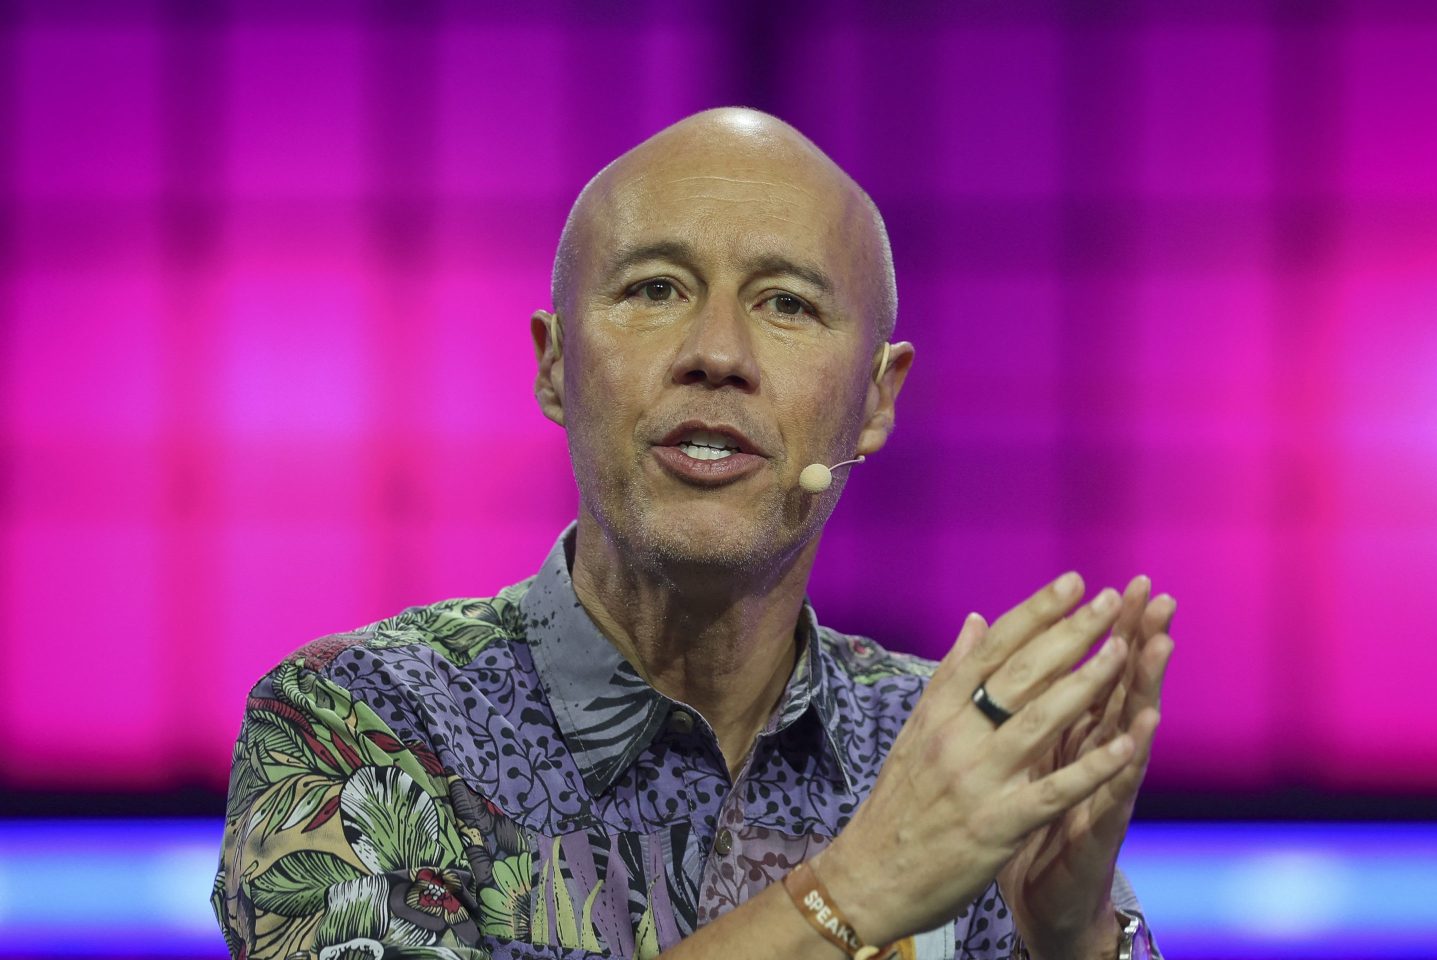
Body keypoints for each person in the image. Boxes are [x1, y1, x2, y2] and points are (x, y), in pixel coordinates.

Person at [212, 107, 1175, 960]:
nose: (717, 353)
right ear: (555, 366)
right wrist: (857, 891)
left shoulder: (950, 752)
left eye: (787, 304)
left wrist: (1073, 940)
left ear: (877, 400)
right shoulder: (361, 718)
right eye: (655, 290)